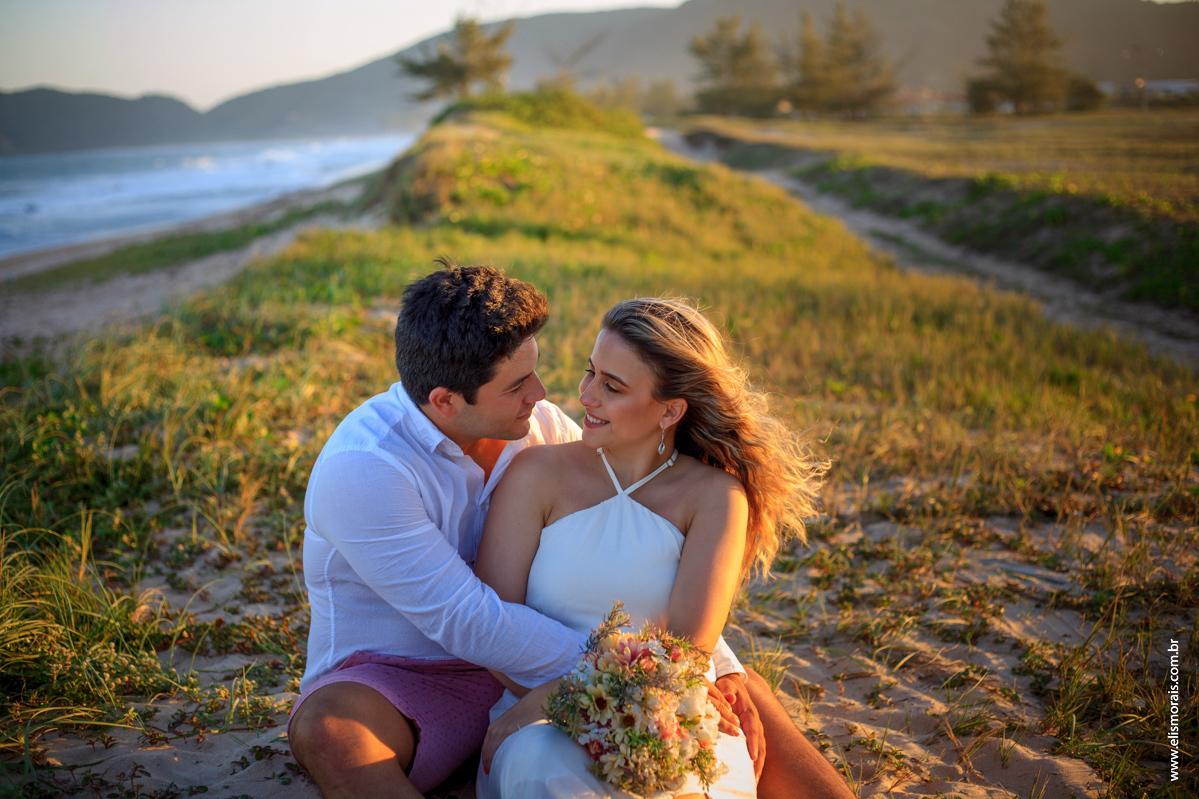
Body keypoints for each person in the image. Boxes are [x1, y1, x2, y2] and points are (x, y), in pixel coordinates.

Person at [288, 262, 780, 799]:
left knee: (740, 699)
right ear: (445, 402)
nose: (543, 393)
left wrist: (708, 664)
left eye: (536, 372)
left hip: (535, 657)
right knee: (331, 731)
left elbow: (647, 556)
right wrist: (636, 673)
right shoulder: (365, 467)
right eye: (518, 385)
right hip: (408, 673)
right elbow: (466, 621)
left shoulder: (540, 427)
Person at [472, 298, 829, 798]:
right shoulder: (536, 475)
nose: (585, 395)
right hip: (532, 715)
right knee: (543, 763)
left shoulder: (715, 497)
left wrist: (567, 691)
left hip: (668, 708)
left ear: (671, 410)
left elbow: (685, 652)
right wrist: (548, 703)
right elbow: (491, 627)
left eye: (612, 386)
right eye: (590, 372)